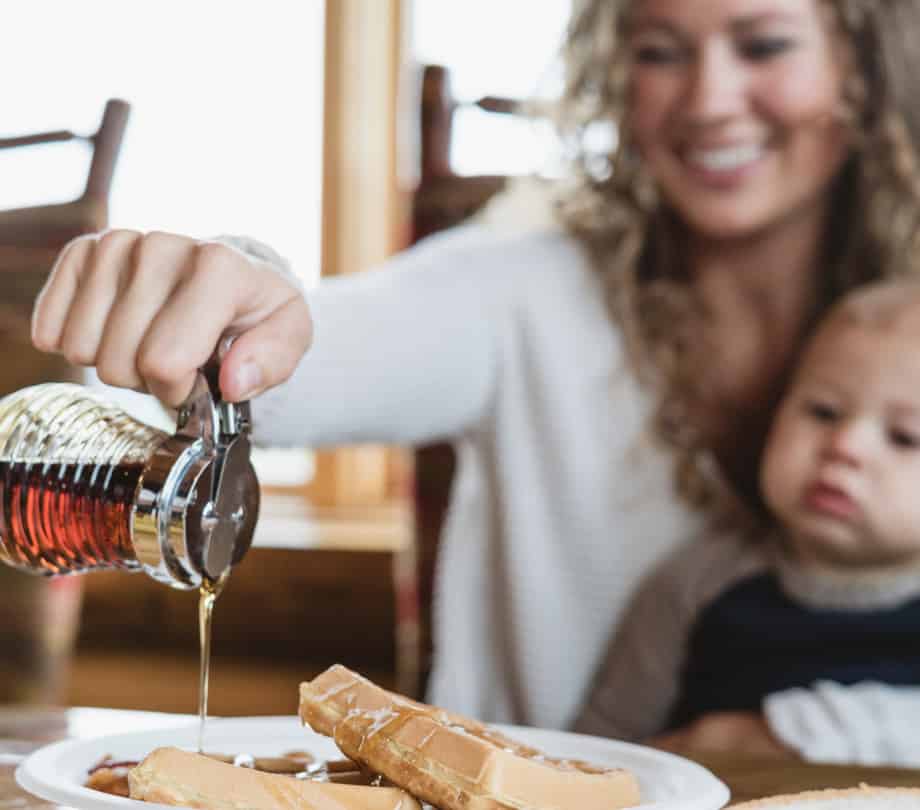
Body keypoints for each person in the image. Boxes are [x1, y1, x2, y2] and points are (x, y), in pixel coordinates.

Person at [28, 1, 920, 732]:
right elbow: (315, 349)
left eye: (763, 44)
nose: (708, 99)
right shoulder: (526, 285)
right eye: (658, 52)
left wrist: (801, 730)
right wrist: (225, 300)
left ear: (862, 62)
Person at [574, 279, 920, 766]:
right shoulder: (698, 581)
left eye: (905, 437)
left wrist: (791, 732)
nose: (846, 446)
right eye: (823, 411)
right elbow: (599, 751)